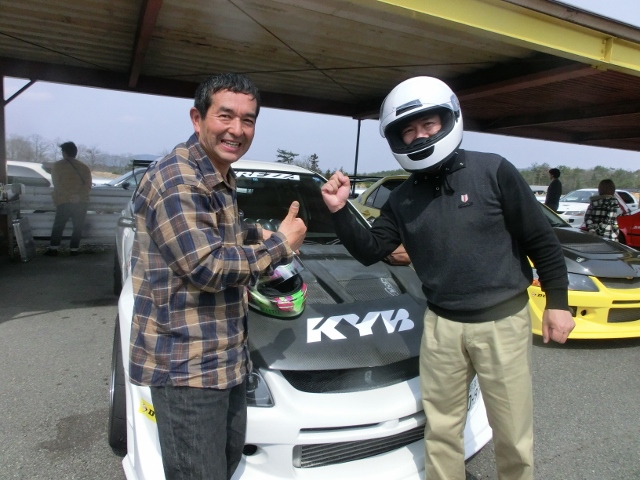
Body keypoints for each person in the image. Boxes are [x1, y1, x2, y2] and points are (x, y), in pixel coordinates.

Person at [321, 76, 575, 480]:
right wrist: (339, 210)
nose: (420, 135)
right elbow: (371, 250)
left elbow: (540, 239)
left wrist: (558, 304)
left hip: (502, 322)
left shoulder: (493, 170)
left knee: (512, 434)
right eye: (409, 130)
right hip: (441, 326)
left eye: (428, 124)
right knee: (441, 432)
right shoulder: (402, 198)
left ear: (448, 119)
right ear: (398, 138)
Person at [128, 73, 306, 480]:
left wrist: (257, 234)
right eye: (225, 116)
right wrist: (281, 245)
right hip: (187, 369)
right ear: (198, 118)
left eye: (248, 120)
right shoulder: (178, 179)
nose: (237, 130)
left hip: (225, 362)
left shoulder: (216, 173)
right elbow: (206, 266)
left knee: (222, 468)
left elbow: (213, 230)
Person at [44, 141, 92, 256]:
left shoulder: (58, 166)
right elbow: (88, 184)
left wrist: (69, 196)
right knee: (78, 227)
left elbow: (57, 184)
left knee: (59, 226)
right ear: (75, 152)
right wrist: (78, 196)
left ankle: (53, 248)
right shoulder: (84, 167)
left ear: (64, 152)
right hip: (81, 202)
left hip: (64, 201)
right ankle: (74, 249)